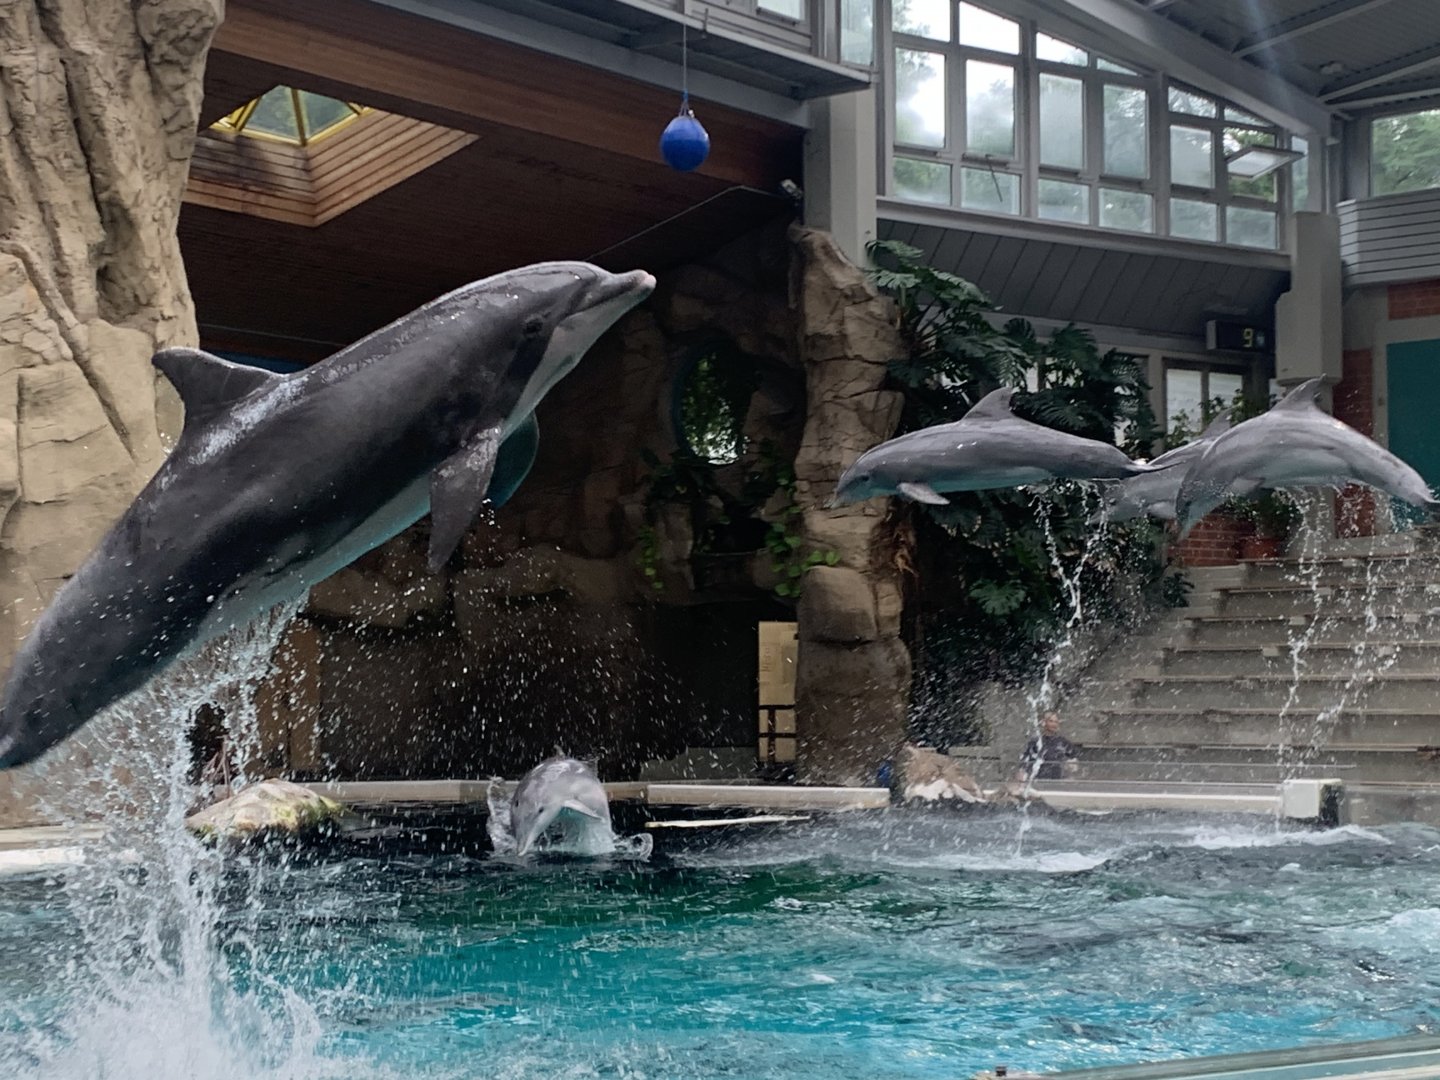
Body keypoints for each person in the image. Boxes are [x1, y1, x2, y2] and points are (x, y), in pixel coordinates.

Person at [1016, 711, 1078, 781]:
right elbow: (1026, 758)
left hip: (1056, 779)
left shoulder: (1063, 742)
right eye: (1051, 721)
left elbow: (1073, 758)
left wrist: (1070, 772)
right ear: (1044, 722)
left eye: (1056, 722)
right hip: (1038, 779)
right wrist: (1022, 771)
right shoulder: (1036, 741)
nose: (1054, 724)